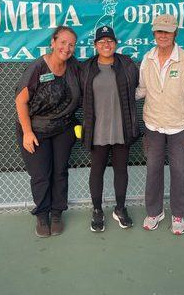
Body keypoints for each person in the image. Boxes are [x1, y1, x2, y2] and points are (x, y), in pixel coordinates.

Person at [136, 14, 184, 235]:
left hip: (179, 126)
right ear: (154, 33)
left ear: (175, 33)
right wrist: (122, 92)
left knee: (179, 171)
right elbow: (143, 89)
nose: (163, 35)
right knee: (153, 169)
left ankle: (178, 213)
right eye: (159, 31)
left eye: (167, 31)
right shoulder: (147, 59)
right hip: (153, 124)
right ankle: (155, 211)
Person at [15, 26, 81, 238]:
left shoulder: (74, 67)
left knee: (60, 171)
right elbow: (20, 101)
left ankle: (56, 213)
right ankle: (42, 215)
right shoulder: (37, 68)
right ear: (53, 42)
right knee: (41, 174)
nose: (66, 48)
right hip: (35, 129)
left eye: (71, 44)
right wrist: (27, 132)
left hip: (63, 128)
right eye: (62, 42)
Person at [81, 25, 140, 232]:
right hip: (97, 132)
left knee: (121, 171)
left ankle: (120, 208)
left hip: (121, 129)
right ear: (95, 45)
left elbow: (139, 88)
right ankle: (97, 210)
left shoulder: (127, 65)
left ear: (116, 44)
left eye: (110, 41)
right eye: (101, 41)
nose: (106, 44)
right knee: (96, 171)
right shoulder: (87, 68)